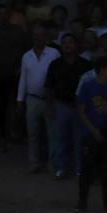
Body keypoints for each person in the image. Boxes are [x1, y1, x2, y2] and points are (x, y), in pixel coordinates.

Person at [75, 57, 107, 213]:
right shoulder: (87, 87)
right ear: (102, 69)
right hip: (90, 133)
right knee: (87, 169)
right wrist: (93, 130)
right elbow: (81, 112)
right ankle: (82, 202)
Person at [45, 32, 91, 179]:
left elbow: (90, 87)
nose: (67, 45)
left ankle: (79, 169)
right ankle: (61, 168)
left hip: (79, 107)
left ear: (76, 45)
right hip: (61, 105)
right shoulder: (55, 64)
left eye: (70, 42)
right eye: (64, 43)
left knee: (79, 139)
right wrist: (50, 106)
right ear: (61, 46)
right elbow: (49, 87)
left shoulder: (85, 64)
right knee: (61, 138)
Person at [16, 25, 60, 174]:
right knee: (33, 133)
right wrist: (19, 100)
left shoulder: (54, 53)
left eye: (41, 35)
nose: (38, 38)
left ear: (46, 37)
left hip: (50, 99)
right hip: (32, 99)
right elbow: (23, 78)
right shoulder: (26, 56)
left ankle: (53, 163)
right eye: (35, 35)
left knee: (52, 134)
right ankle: (34, 162)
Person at [0, 4, 30, 148]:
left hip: (16, 73)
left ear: (9, 15)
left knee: (16, 105)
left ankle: (15, 133)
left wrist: (22, 69)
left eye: (5, 13)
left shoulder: (19, 32)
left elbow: (26, 51)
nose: (2, 16)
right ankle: (0, 134)